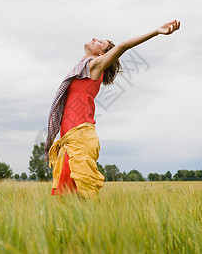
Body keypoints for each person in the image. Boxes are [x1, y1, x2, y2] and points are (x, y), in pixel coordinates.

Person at [46, 20, 180, 198]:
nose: (94, 39)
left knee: (80, 195)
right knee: (67, 198)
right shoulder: (81, 70)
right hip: (70, 140)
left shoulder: (95, 65)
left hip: (80, 139)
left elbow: (123, 46)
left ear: (103, 54)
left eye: (100, 42)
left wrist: (156, 31)